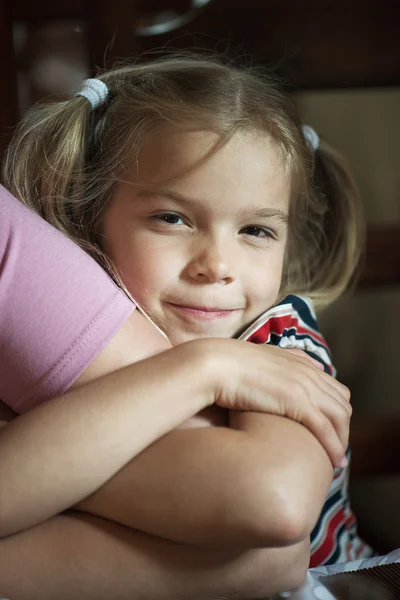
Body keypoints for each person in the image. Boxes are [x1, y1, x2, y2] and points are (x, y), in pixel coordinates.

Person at [0, 54, 367, 598]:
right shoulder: (76, 331)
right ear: (91, 219)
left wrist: (48, 460)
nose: (216, 264)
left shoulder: (284, 343)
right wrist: (203, 367)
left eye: (256, 231)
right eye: (172, 218)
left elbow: (281, 511)